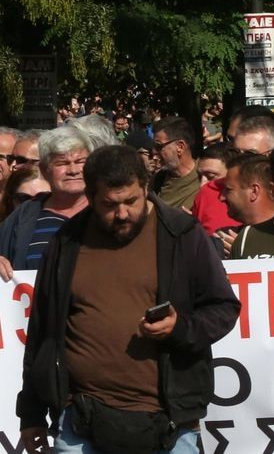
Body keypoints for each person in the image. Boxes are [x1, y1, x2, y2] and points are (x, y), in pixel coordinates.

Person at [16, 145, 240, 454]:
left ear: (146, 188)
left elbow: (224, 308)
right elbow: (43, 330)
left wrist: (180, 328)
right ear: (91, 197)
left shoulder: (182, 234)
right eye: (109, 204)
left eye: (131, 201)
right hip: (79, 421)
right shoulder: (66, 241)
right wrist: (31, 413)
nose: (122, 213)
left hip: (169, 423)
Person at [0, 127, 93, 280]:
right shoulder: (24, 216)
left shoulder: (106, 212)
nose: (73, 170)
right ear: (44, 169)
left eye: (80, 161)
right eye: (62, 163)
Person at [215, 153, 274, 259]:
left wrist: (251, 253)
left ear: (254, 191)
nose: (222, 197)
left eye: (228, 189)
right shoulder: (222, 241)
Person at [150, 117, 202, 211]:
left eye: (158, 146)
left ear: (180, 147)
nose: (154, 152)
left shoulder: (205, 178)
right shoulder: (157, 180)